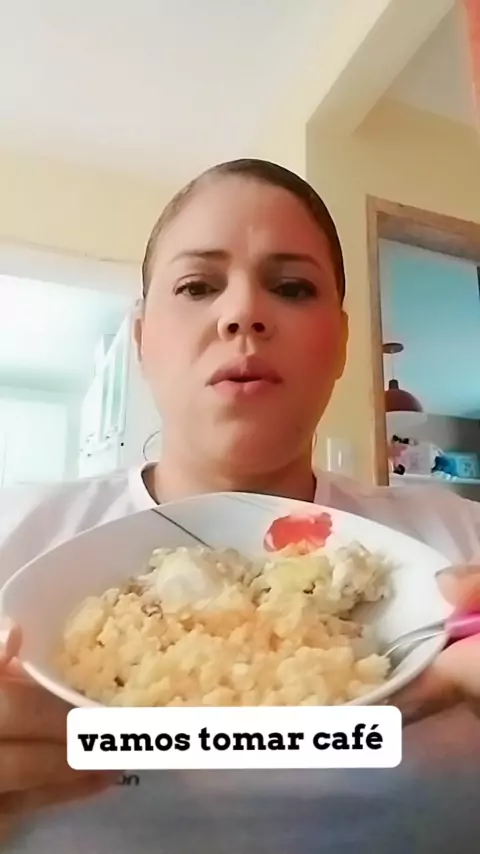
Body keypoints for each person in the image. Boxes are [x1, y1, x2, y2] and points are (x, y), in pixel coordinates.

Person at [0, 158, 478, 853]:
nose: (243, 313)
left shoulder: (459, 546)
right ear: (142, 339)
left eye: (291, 287)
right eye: (197, 286)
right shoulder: (15, 538)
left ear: (342, 344)